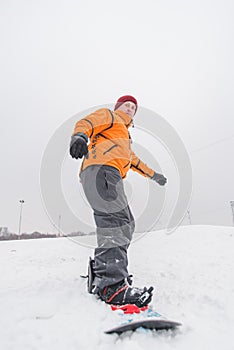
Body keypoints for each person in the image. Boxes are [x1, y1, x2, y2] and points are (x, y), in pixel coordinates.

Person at [70, 95, 167, 308]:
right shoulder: (110, 116)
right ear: (118, 107)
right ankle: (112, 286)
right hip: (101, 170)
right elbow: (87, 122)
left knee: (126, 223)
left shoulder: (123, 137)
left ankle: (104, 271)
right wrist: (79, 136)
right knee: (116, 221)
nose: (130, 109)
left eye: (134, 107)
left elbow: (135, 161)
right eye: (127, 105)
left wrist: (154, 176)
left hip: (107, 174)